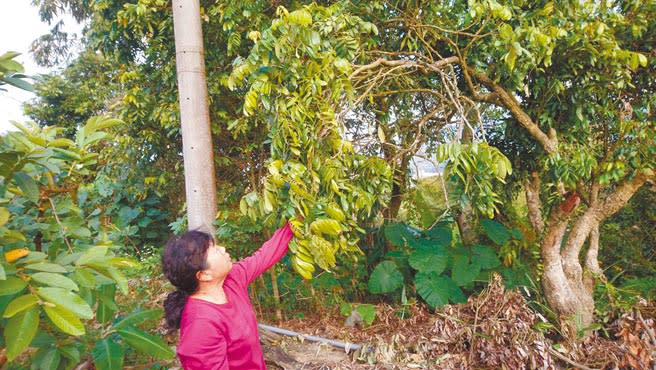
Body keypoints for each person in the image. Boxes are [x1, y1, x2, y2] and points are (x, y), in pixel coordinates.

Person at [161, 222, 293, 370]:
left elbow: (264, 256)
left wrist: (293, 226)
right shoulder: (201, 324)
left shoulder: (232, 280)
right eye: (215, 250)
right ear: (204, 275)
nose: (223, 249)